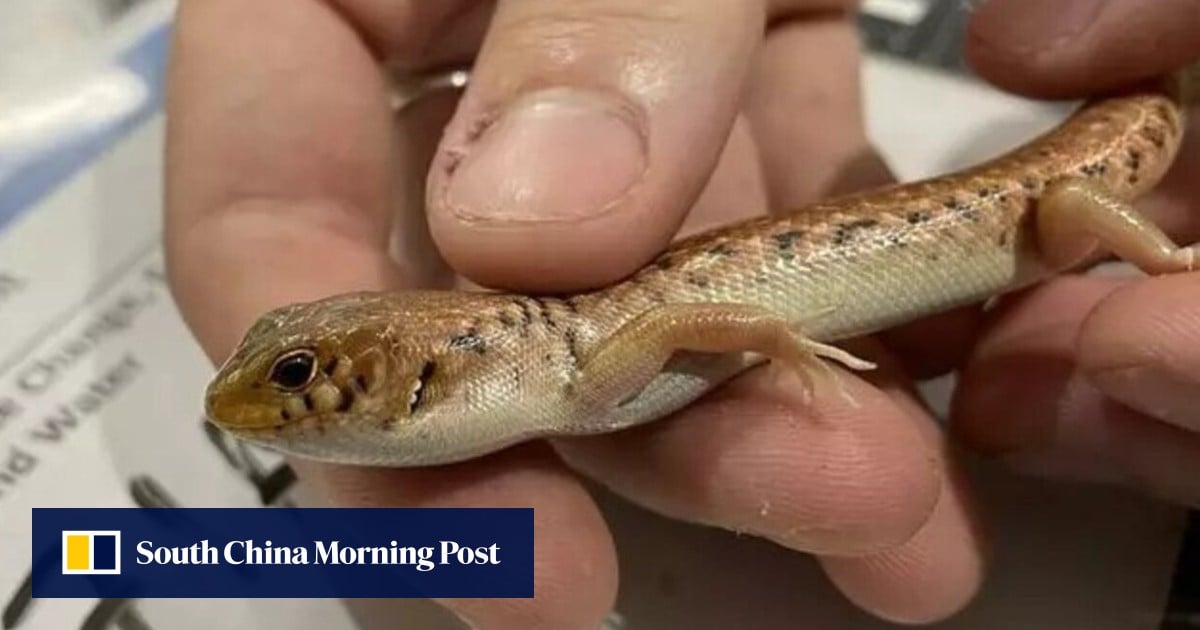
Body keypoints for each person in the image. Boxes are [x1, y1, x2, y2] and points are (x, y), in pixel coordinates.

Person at [163, 0, 1200, 626]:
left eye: (299, 373)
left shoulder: (575, 369)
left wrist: (779, 337)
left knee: (1071, 217)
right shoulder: (546, 379)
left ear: (412, 371)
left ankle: (1163, 247)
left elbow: (671, 324)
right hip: (1018, 205)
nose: (275, 391)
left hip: (1043, 197)